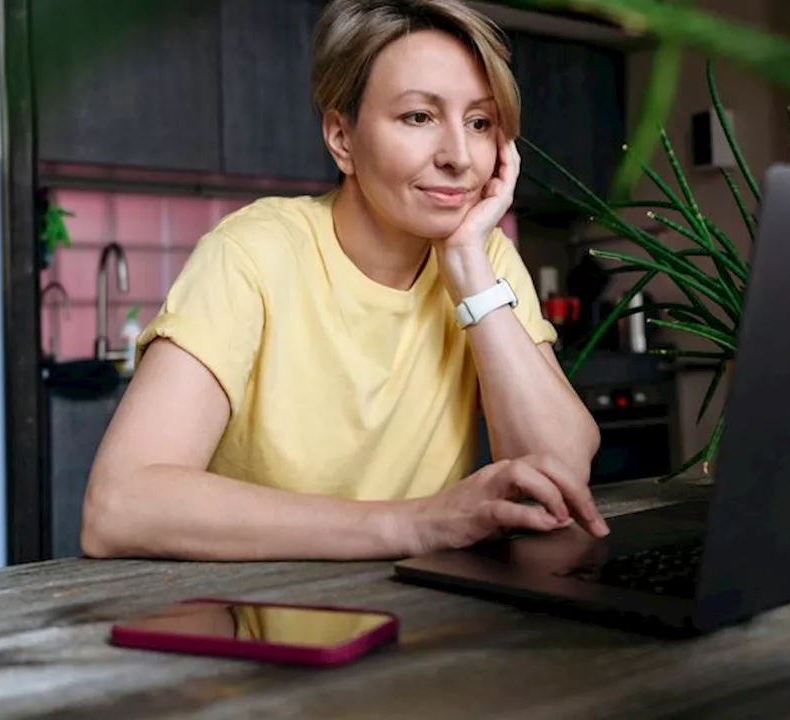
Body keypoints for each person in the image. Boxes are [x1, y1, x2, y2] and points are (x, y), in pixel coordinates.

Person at [79, 0, 607, 563]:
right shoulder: (254, 252)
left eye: (479, 123)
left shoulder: (485, 258)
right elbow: (119, 507)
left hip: (424, 627)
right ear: (342, 139)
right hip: (260, 621)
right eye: (418, 117)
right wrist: (417, 525)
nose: (459, 156)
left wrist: (471, 274)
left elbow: (560, 476)